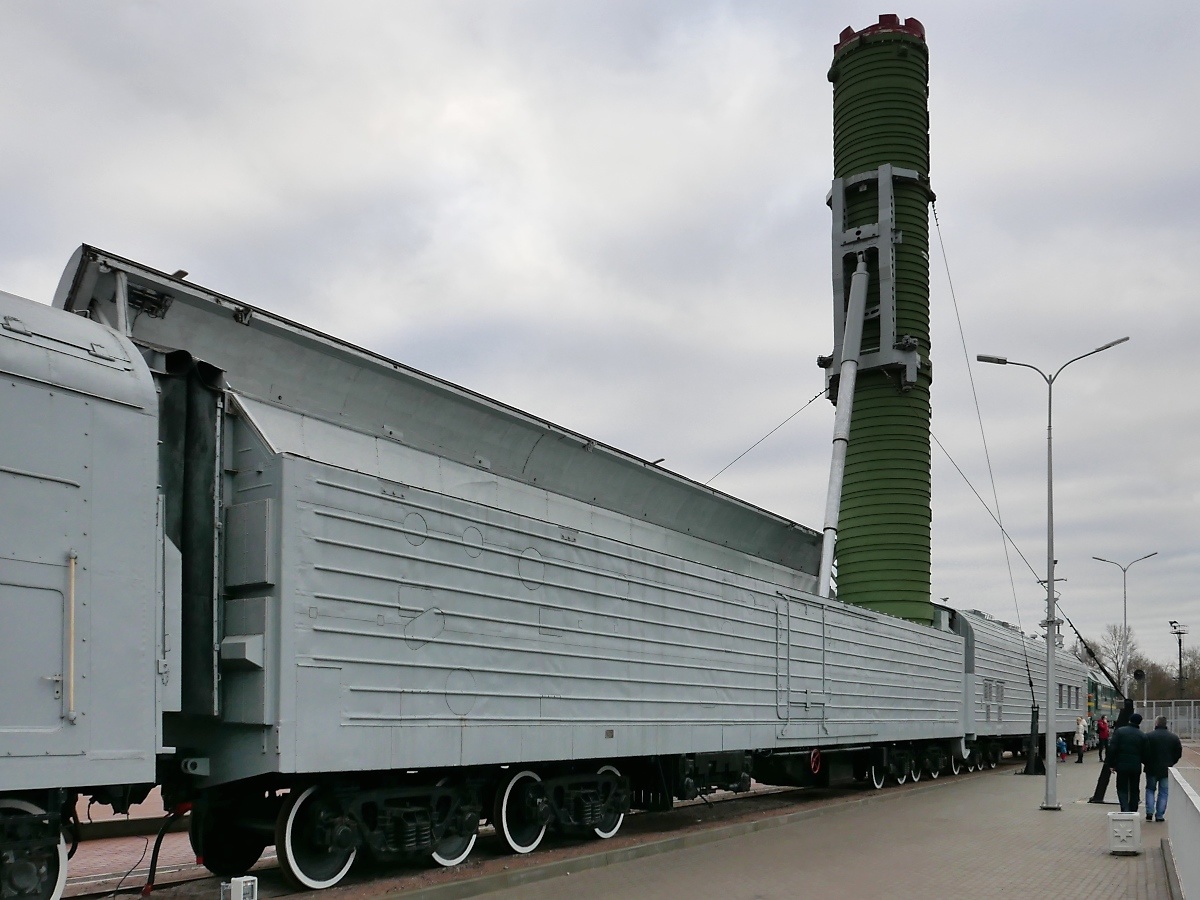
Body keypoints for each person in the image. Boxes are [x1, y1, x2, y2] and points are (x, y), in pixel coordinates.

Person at [1143, 716, 1183, 822]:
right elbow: (1178, 753)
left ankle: (1149, 812)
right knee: (1164, 792)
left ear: (1156, 723)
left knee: (1150, 789)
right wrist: (1171, 763)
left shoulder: (1148, 736)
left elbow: (1143, 752)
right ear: (1166, 724)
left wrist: (1146, 762)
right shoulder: (1173, 738)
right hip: (1166, 769)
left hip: (1151, 768)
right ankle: (1160, 815)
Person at [1108, 712, 1147, 813]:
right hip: (1135, 766)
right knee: (1134, 788)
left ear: (1129, 720)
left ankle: (1124, 808)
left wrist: (1111, 764)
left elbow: (1112, 749)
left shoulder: (1120, 732)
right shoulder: (1142, 735)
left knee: (1122, 788)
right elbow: (1145, 752)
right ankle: (1133, 809)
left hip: (1121, 766)